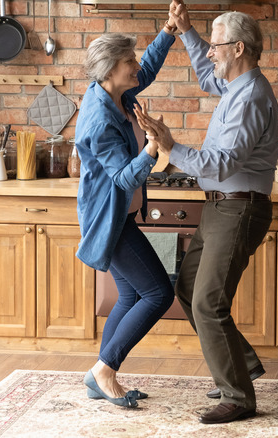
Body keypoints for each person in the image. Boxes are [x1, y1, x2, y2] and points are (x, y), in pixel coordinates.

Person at [135, 3, 278, 424]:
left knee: (207, 301)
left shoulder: (250, 97)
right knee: (186, 287)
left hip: (239, 209)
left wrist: (170, 146)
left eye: (217, 46)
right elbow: (206, 72)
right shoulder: (234, 85)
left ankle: (238, 396)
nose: (212, 53)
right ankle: (242, 364)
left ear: (238, 49)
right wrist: (186, 32)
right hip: (221, 208)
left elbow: (221, 165)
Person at [75, 21, 179, 408]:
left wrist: (169, 31)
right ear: (110, 69)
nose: (136, 66)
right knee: (158, 293)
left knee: (133, 293)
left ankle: (100, 375)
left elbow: (147, 69)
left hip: (121, 214)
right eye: (128, 61)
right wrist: (152, 148)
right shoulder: (99, 120)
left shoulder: (117, 93)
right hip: (109, 218)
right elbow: (120, 178)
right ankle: (104, 369)